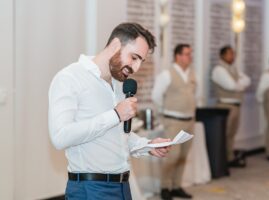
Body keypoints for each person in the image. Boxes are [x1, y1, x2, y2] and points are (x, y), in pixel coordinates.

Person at [48, 22, 172, 200]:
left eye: (141, 62)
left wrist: (148, 146)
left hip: (122, 186)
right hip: (90, 189)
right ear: (115, 45)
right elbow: (60, 137)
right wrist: (114, 115)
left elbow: (116, 136)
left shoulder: (118, 86)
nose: (136, 68)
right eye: (134, 57)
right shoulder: (70, 78)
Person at [152, 44, 196, 200]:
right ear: (178, 56)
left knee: (183, 155)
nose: (190, 57)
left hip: (190, 120)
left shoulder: (191, 73)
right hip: (173, 121)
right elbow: (156, 96)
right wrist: (164, 114)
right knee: (172, 156)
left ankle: (177, 186)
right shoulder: (167, 74)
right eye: (187, 54)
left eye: (190, 54)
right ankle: (165, 187)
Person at [211, 45, 251, 168]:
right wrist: (240, 84)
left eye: (233, 53)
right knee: (224, 134)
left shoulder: (233, 69)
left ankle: (229, 158)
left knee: (231, 134)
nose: (232, 56)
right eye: (229, 54)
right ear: (222, 55)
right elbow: (231, 86)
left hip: (236, 106)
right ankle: (220, 160)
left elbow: (248, 80)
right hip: (225, 106)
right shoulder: (219, 69)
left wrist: (238, 84)